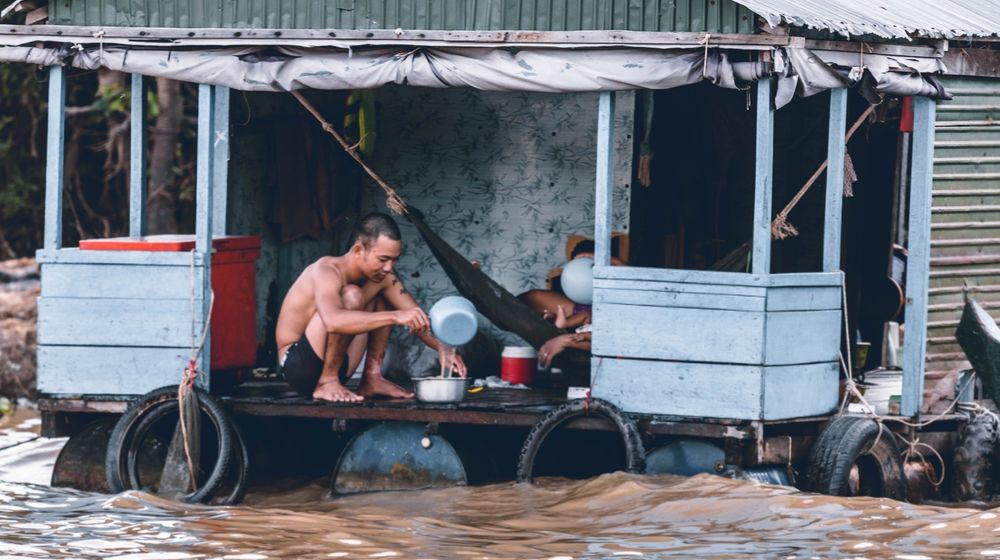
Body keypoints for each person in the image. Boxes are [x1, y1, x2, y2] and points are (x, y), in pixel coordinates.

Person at [275, 212, 467, 403]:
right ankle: (328, 380)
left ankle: (372, 378)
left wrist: (442, 349)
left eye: (394, 260)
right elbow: (333, 322)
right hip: (298, 366)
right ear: (358, 250)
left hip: (339, 365)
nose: (389, 267)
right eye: (383, 259)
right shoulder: (326, 270)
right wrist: (394, 317)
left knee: (383, 291)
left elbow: (416, 316)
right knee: (352, 295)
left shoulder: (383, 277)